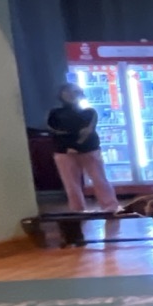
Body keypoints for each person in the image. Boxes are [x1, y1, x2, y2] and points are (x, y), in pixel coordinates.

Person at [46, 84, 118, 213]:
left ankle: (110, 207)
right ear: (61, 95)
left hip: (88, 150)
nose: (71, 95)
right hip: (64, 152)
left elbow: (87, 131)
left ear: (81, 94)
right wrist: (70, 145)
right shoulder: (54, 113)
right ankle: (77, 210)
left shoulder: (90, 112)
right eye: (67, 92)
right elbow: (54, 131)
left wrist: (73, 145)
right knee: (71, 184)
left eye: (75, 92)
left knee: (99, 180)